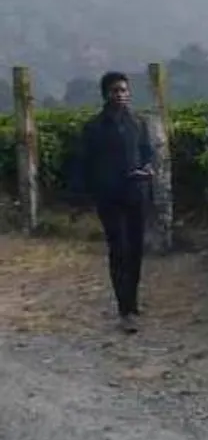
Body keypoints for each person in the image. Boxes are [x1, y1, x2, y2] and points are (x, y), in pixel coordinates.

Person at [76, 72, 154, 334]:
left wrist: (147, 171)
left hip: (136, 194)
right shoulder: (94, 128)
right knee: (119, 250)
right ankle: (125, 308)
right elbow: (85, 165)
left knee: (135, 251)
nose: (120, 95)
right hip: (109, 198)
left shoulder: (138, 123)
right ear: (105, 94)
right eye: (115, 91)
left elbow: (147, 154)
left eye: (123, 90)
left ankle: (133, 301)